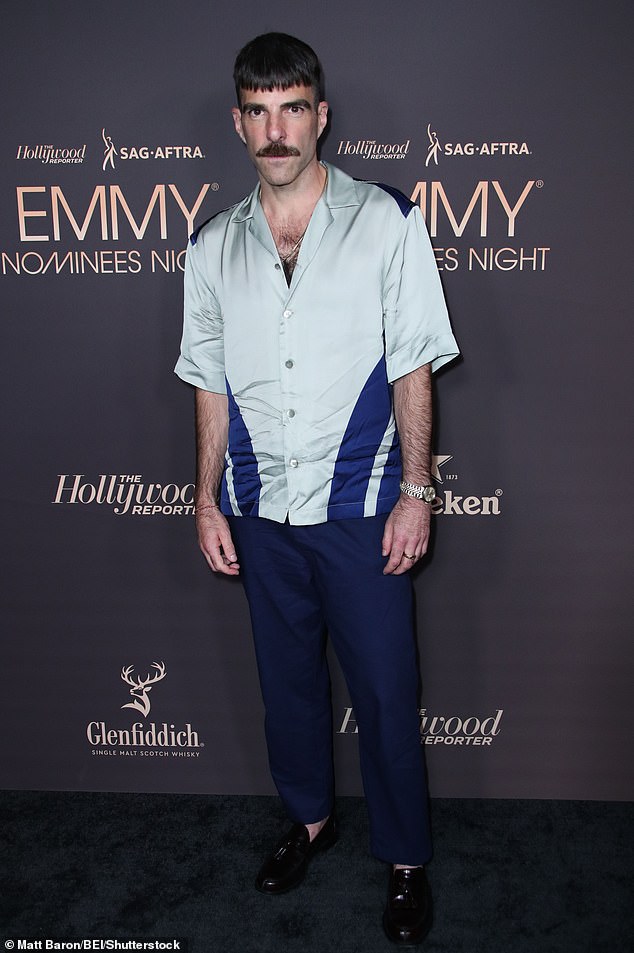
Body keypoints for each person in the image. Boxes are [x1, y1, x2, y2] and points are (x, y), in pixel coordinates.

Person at [175, 32, 459, 945]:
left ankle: (406, 859)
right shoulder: (213, 244)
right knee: (286, 685)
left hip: (364, 508)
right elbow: (209, 381)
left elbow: (414, 364)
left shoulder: (385, 219)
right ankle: (308, 821)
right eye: (258, 112)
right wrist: (207, 496)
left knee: (384, 688)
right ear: (238, 123)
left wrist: (417, 489)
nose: (276, 129)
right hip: (262, 513)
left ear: (320, 114)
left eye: (292, 108)